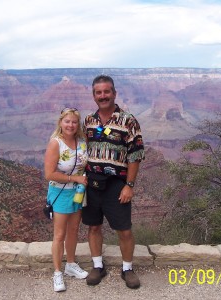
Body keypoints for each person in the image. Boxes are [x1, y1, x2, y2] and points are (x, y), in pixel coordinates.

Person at [82, 75, 145, 289]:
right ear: (94, 96)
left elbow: (135, 155)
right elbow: (86, 150)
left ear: (114, 93)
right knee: (93, 227)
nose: (103, 96)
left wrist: (130, 185)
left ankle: (127, 268)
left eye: (106, 92)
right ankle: (98, 266)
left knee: (124, 230)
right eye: (98, 93)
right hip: (92, 183)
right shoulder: (89, 121)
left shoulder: (128, 120)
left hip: (117, 184)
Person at [44, 107, 89, 292]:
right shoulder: (56, 143)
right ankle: (57, 273)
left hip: (78, 192)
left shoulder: (82, 141)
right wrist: (74, 178)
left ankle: (70, 265)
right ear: (60, 123)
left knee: (73, 230)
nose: (70, 125)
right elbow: (49, 174)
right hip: (60, 193)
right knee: (59, 234)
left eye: (74, 122)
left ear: (78, 124)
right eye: (67, 121)